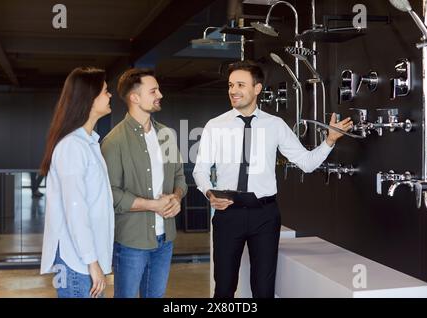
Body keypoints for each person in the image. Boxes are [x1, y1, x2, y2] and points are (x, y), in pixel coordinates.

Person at [193, 60, 353, 298]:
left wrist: (329, 141)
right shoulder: (215, 126)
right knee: (224, 288)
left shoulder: (275, 125)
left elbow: (307, 163)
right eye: (230, 85)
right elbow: (200, 170)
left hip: (264, 216)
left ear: (257, 89)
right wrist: (209, 193)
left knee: (264, 289)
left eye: (240, 84)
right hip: (228, 213)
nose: (233, 90)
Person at [101, 68, 187, 298]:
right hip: (131, 243)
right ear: (134, 97)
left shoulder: (166, 135)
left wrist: (177, 197)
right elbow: (111, 193)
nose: (160, 94)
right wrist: (153, 205)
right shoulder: (113, 141)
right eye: (153, 90)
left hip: (165, 239)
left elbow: (180, 177)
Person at [39, 67, 114, 298]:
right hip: (77, 263)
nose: (109, 95)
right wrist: (92, 262)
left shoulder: (89, 143)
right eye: (105, 91)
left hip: (86, 261)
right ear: (89, 99)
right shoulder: (72, 146)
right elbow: (75, 209)